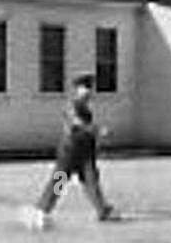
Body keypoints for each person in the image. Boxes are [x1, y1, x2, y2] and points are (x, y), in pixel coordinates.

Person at [25, 73, 118, 229]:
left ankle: (102, 210)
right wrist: (97, 130)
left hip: (85, 152)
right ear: (77, 89)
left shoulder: (86, 108)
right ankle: (43, 212)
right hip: (70, 151)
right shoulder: (71, 105)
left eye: (90, 88)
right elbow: (77, 123)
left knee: (91, 180)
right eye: (85, 88)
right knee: (60, 180)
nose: (88, 92)